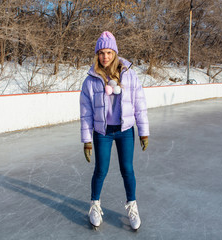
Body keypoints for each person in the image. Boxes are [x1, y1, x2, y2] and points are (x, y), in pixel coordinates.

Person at [79, 31, 149, 230]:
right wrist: (87, 140)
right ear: (97, 55)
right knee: (101, 170)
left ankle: (132, 206)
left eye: (109, 52)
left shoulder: (129, 74)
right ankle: (94, 205)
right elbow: (85, 113)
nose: (105, 57)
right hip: (102, 132)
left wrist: (143, 131)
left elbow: (139, 104)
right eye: (101, 53)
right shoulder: (91, 80)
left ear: (115, 53)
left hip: (125, 130)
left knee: (127, 170)